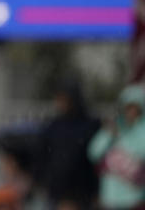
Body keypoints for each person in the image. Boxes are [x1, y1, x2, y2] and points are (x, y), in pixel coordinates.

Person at [88, 83, 145, 210]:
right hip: (111, 200)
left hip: (138, 200)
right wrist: (108, 134)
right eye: (127, 107)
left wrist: (122, 145)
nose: (130, 111)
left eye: (134, 107)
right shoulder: (115, 127)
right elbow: (94, 153)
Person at [33, 78, 100, 210]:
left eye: (64, 99)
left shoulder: (90, 126)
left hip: (83, 194)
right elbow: (42, 156)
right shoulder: (53, 126)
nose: (60, 103)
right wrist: (42, 182)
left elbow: (96, 160)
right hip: (57, 194)